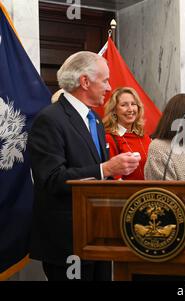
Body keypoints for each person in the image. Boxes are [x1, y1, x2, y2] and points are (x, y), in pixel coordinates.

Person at [28, 51, 141, 281]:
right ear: (85, 81)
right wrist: (106, 169)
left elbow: (98, 172)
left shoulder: (96, 120)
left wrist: (117, 172)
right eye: (105, 80)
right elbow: (51, 179)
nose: (109, 87)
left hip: (99, 237)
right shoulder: (50, 119)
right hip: (68, 242)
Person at [103, 87, 151, 180]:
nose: (130, 109)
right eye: (124, 105)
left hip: (150, 192)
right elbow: (114, 177)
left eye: (133, 104)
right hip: (129, 193)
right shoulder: (109, 138)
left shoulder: (145, 137)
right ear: (114, 110)